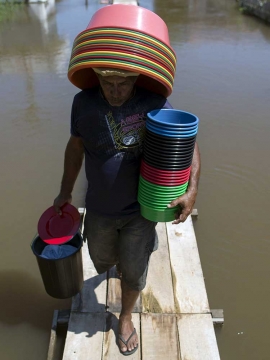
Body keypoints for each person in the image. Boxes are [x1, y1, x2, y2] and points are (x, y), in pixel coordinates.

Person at [53, 67, 201, 355]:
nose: (115, 90)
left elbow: (188, 143)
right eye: (108, 83)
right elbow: (75, 147)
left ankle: (124, 318)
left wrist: (191, 190)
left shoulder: (153, 103)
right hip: (99, 208)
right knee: (103, 259)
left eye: (123, 83)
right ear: (97, 79)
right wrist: (65, 190)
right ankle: (131, 254)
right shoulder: (83, 103)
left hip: (141, 210)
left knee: (133, 272)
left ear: (136, 80)